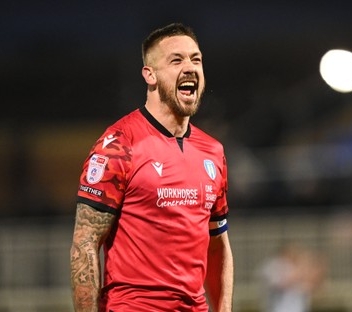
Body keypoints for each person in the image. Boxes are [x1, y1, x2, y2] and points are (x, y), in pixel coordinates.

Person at [70, 22, 234, 311]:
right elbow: (85, 244)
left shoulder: (213, 152)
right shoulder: (118, 147)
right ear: (150, 75)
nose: (190, 67)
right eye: (176, 60)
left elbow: (217, 244)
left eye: (196, 59)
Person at [259, 243, 326, 312]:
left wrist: (318, 269)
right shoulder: (273, 266)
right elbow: (282, 283)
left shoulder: (297, 270)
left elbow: (314, 286)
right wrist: (303, 269)